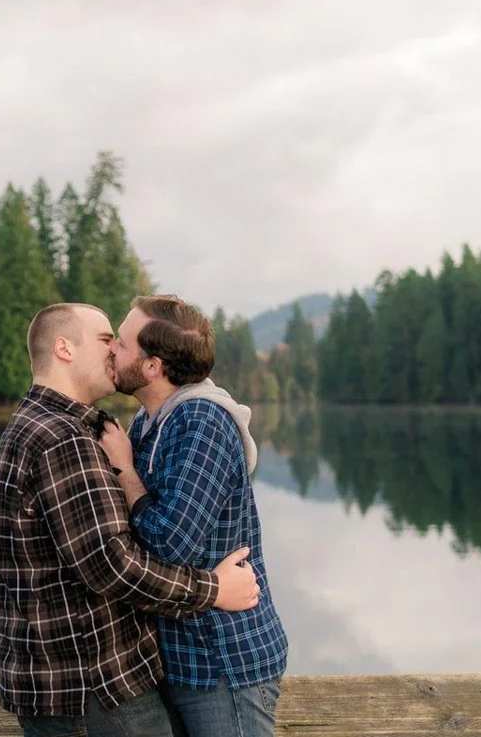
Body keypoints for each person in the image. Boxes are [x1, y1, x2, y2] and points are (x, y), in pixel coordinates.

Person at [0, 302, 262, 737]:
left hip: (82, 687)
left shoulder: (46, 426)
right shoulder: (62, 438)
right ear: (64, 348)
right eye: (104, 339)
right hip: (93, 686)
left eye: (118, 340)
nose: (114, 350)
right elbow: (112, 565)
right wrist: (213, 590)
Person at [101, 294, 289, 737]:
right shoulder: (152, 421)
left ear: (152, 366)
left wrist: (126, 470)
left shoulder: (201, 420)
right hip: (184, 661)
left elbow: (171, 541)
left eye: (123, 344)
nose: (111, 348)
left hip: (223, 662)